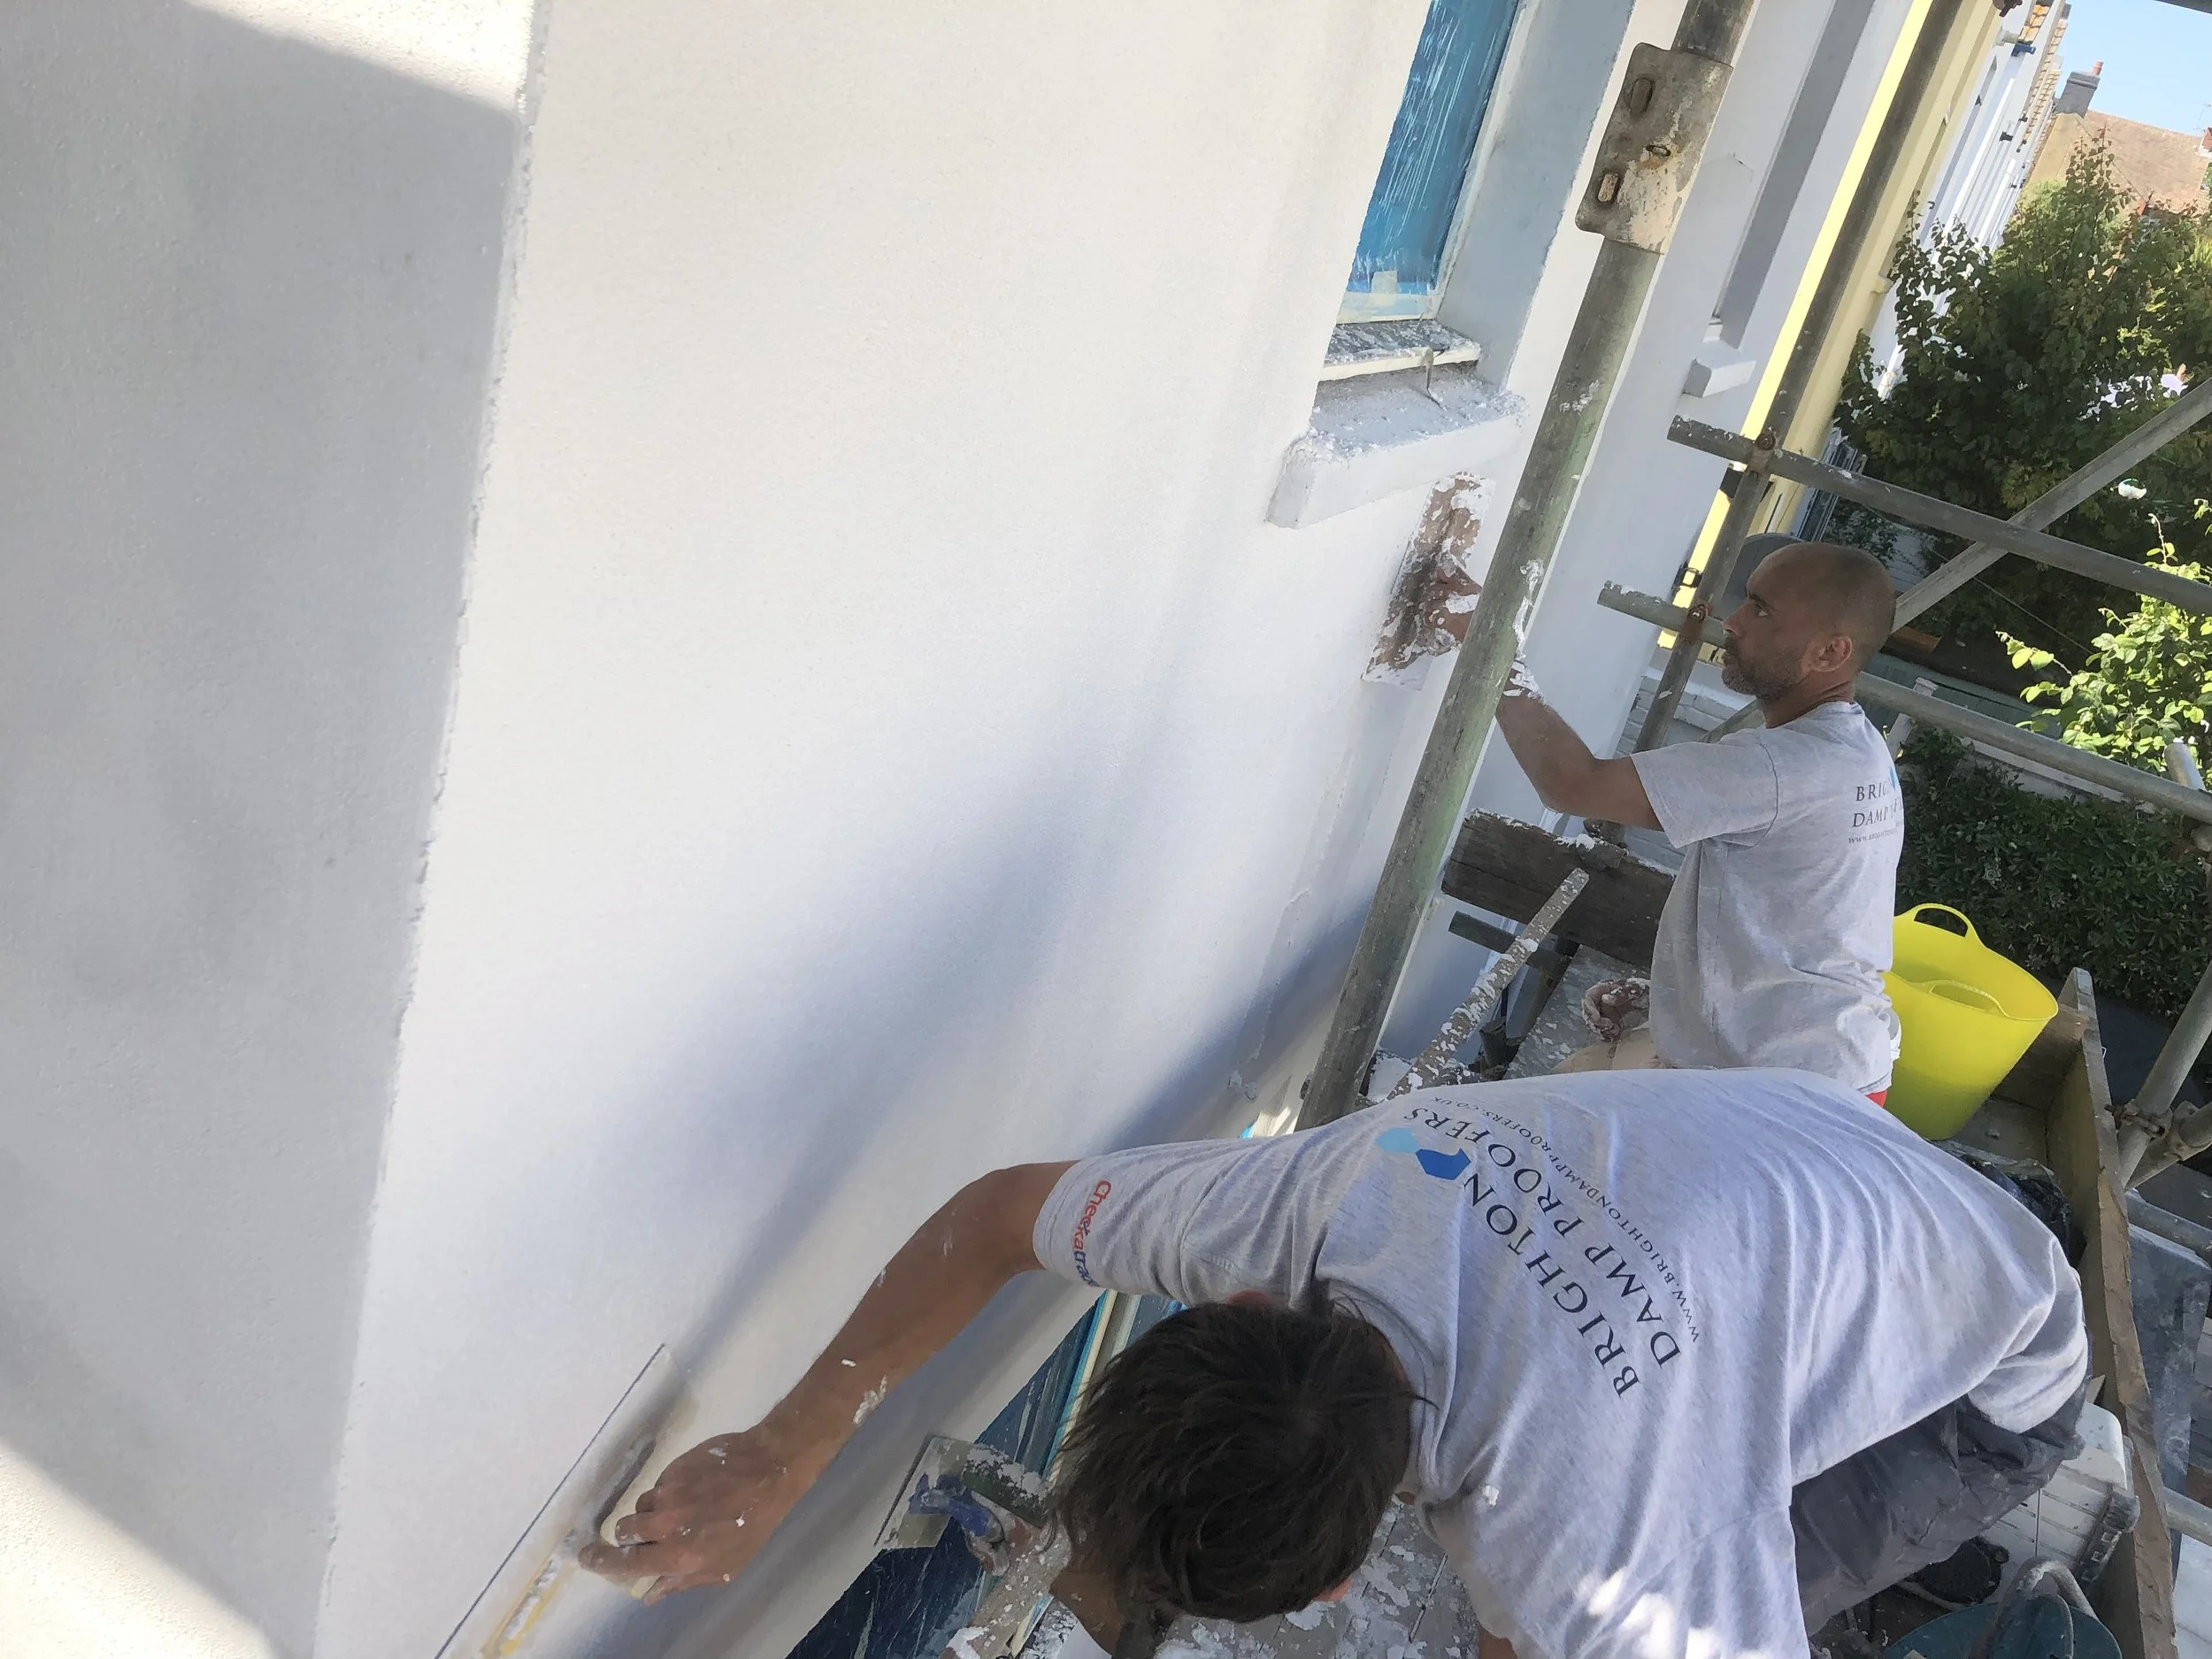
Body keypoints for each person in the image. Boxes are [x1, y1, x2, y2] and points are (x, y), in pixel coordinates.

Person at [581, 1068, 2085, 1659]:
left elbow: (1588, 1582)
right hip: (1835, 1171)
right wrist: (794, 1444)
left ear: (1333, 1588)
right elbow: (997, 1218)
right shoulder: (1303, 1200)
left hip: (1984, 1369)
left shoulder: (1615, 1544)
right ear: (1231, 1312)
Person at [1493, 541, 1904, 1095]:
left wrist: (1491, 649)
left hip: (1779, 1093)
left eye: (1760, 609)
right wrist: (1675, 1001)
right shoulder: (1854, 748)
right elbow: (1807, 926)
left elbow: (1573, 785)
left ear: (1830, 653)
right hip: (1823, 1058)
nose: (1731, 621)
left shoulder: (1785, 766)